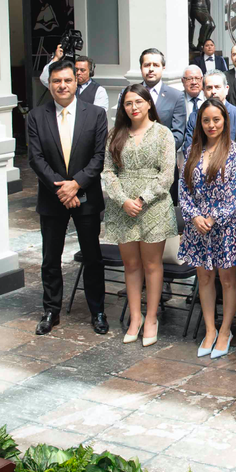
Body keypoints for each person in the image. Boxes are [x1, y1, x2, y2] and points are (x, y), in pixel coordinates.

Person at [27, 60, 109, 336]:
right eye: (56, 81)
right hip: (52, 199)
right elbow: (35, 159)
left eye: (67, 80)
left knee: (92, 256)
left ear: (77, 82)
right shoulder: (36, 116)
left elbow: (99, 157)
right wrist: (62, 189)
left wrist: (76, 185)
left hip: (86, 196)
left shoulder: (96, 114)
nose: (62, 86)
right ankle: (51, 309)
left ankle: (97, 310)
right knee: (51, 257)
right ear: (49, 84)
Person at [177, 99, 236, 358]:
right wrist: (194, 216)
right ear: (200, 122)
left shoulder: (235, 151)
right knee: (204, 277)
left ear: (225, 121)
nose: (211, 125)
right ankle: (210, 329)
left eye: (216, 120)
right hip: (197, 227)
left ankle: (225, 331)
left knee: (227, 279)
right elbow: (183, 190)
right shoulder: (191, 151)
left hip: (226, 226)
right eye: (206, 120)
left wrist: (214, 218)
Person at [102, 84, 177, 345]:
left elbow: (167, 174)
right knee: (131, 266)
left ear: (148, 104)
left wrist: (142, 199)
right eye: (128, 103)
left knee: (152, 265)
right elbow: (108, 172)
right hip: (123, 207)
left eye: (138, 102)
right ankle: (135, 317)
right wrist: (123, 200)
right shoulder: (115, 135)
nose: (133, 107)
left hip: (153, 206)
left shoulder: (163, 134)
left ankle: (152, 317)